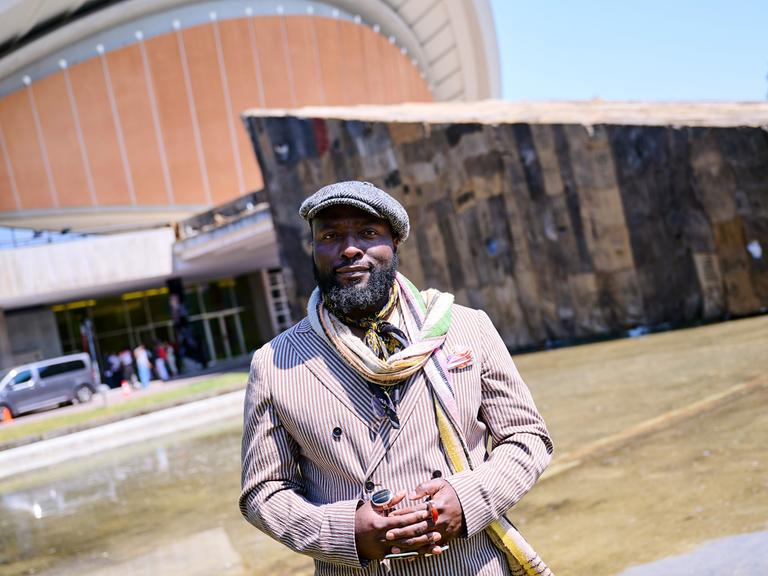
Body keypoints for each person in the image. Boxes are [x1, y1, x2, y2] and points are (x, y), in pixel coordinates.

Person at [240, 181, 554, 575]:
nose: (349, 248)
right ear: (314, 250)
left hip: (471, 564)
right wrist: (346, 532)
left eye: (368, 233)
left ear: (394, 246)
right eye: (330, 236)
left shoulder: (466, 328)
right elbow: (263, 493)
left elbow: (527, 438)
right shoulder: (274, 363)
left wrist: (467, 498)